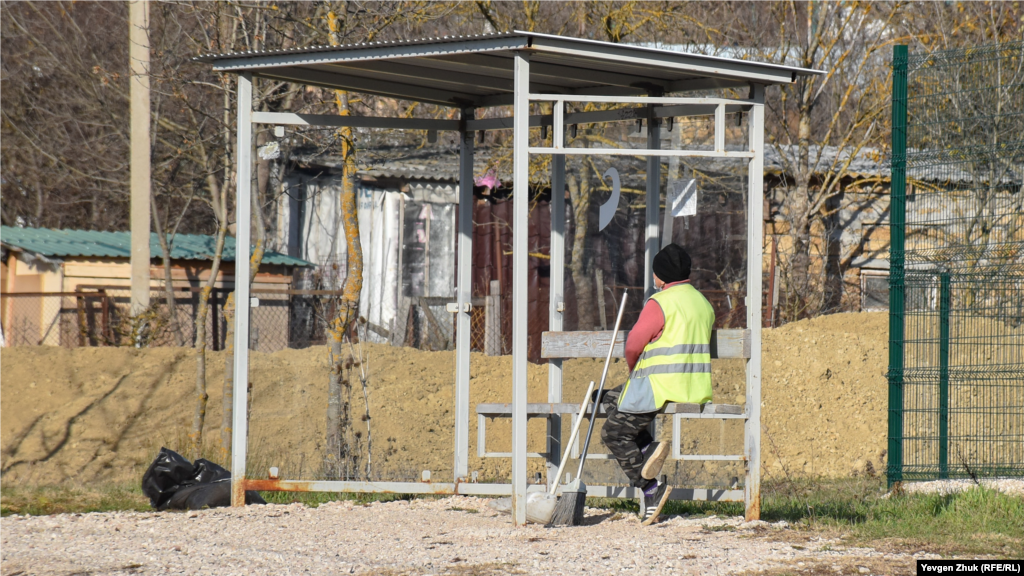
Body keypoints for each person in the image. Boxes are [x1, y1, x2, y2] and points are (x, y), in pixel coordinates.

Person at [600, 243, 715, 526]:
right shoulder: (703, 302)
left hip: (659, 387)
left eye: (655, 272)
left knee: (613, 434)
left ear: (661, 275)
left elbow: (633, 345)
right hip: (693, 387)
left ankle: (652, 488)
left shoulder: (660, 302)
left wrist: (632, 372)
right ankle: (648, 449)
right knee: (605, 399)